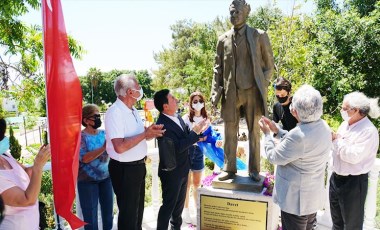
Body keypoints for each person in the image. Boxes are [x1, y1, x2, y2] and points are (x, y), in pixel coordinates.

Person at [210, 0, 275, 181]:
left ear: (246, 13)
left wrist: (263, 84)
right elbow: (218, 68)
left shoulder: (258, 35)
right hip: (231, 92)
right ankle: (229, 168)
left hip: (252, 91)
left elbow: (269, 65)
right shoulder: (223, 40)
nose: (234, 15)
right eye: (231, 12)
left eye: (237, 12)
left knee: (254, 130)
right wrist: (215, 92)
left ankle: (254, 170)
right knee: (229, 130)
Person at [258, 85, 331, 230]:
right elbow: (301, 145)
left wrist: (267, 135)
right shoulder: (323, 126)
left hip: (296, 201)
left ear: (295, 111)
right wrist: (276, 130)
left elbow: (273, 156)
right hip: (312, 196)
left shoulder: (298, 135)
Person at [105, 74, 165, 230]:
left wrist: (149, 132)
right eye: (138, 86)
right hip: (124, 169)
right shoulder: (115, 112)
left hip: (137, 167)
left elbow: (137, 135)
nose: (141, 89)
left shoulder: (132, 110)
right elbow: (119, 146)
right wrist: (145, 134)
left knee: (137, 213)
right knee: (128, 216)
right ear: (130, 92)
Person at [154, 89, 209, 230]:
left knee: (177, 209)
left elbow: (186, 137)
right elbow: (177, 147)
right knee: (168, 207)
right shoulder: (162, 124)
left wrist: (198, 131)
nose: (176, 99)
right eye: (172, 98)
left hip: (184, 169)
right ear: (165, 106)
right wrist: (195, 132)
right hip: (172, 173)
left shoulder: (177, 117)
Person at [330, 92, 380, 230]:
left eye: (345, 109)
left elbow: (353, 156)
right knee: (336, 222)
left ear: (357, 110)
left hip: (353, 183)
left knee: (352, 225)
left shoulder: (368, 131)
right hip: (336, 179)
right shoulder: (344, 124)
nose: (342, 111)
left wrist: (336, 140)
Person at [0, 118, 51, 230]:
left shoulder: (5, 155)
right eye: (1, 137)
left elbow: (27, 172)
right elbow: (27, 200)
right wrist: (38, 167)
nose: (5, 139)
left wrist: (42, 157)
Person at [181, 92, 224, 225]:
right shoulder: (186, 118)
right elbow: (184, 138)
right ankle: (186, 211)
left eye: (200, 100)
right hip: (188, 152)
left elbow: (211, 135)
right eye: (195, 101)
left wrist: (216, 140)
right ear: (190, 103)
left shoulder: (206, 118)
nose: (198, 103)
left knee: (197, 184)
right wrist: (197, 136)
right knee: (186, 185)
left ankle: (196, 211)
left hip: (199, 152)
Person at [78, 104, 113, 230]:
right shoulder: (80, 137)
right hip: (87, 182)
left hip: (106, 179)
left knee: (108, 214)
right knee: (90, 218)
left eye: (99, 115)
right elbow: (85, 158)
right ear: (86, 120)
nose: (98, 118)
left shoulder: (104, 134)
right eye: (95, 116)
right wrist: (103, 148)